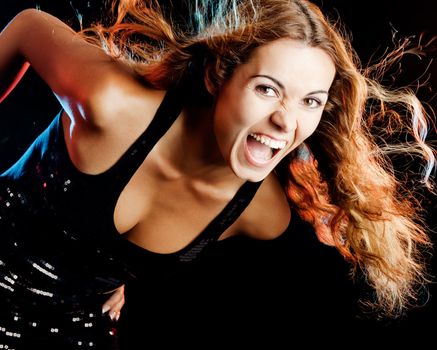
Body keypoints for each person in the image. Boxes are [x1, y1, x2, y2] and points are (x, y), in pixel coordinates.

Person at [0, 0, 435, 347]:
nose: (287, 122)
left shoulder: (261, 214)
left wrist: (115, 270)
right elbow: (26, 25)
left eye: (311, 101)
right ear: (218, 77)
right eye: (268, 89)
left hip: (70, 330)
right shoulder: (112, 105)